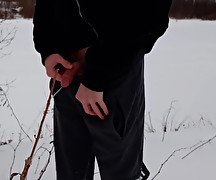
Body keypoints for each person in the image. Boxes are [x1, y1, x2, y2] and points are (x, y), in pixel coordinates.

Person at [33, 0, 172, 179]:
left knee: (121, 174)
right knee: (71, 172)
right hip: (65, 67)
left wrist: (98, 74)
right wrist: (49, 46)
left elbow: (150, 13)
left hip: (116, 66)